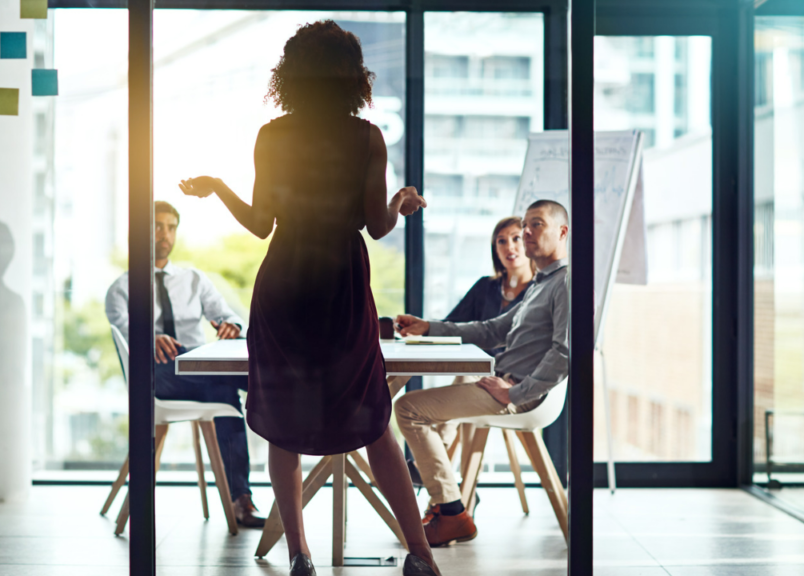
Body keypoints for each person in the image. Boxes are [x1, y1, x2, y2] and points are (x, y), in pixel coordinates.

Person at [177, 20, 440, 576]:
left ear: (291, 73)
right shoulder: (366, 138)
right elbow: (377, 226)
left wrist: (218, 188)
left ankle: (299, 554)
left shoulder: (272, 136)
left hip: (285, 286)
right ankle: (420, 555)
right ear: (351, 74)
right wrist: (400, 202)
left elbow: (259, 225)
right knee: (375, 420)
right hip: (342, 287)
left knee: (284, 421)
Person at [393, 199, 570, 547]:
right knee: (414, 406)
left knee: (408, 409)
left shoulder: (565, 284)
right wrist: (429, 327)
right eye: (525, 225)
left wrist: (514, 394)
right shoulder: (541, 283)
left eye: (536, 224)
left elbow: (565, 353)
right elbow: (492, 330)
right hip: (503, 383)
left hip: (520, 394)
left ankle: (451, 512)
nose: (526, 232)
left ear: (562, 232)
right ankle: (448, 506)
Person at [105, 201, 266, 528]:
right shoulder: (121, 288)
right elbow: (124, 332)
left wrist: (231, 325)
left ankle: (242, 498)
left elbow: (226, 314)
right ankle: (242, 497)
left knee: (233, 389)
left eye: (171, 227)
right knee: (240, 384)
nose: (164, 234)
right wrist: (148, 337)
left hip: (202, 373)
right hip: (158, 377)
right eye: (157, 226)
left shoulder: (194, 279)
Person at [408, 217, 536, 486]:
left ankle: (432, 461)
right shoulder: (485, 287)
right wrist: (424, 328)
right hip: (478, 377)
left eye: (516, 238)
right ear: (495, 249)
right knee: (470, 377)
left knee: (468, 380)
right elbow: (455, 323)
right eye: (501, 241)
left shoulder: (539, 292)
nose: (509, 246)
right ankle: (463, 491)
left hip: (512, 383)